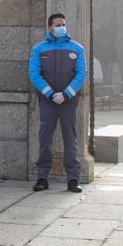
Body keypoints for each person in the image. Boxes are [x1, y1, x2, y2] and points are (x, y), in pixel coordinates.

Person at [29, 13, 87, 193]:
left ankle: (72, 179)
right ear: (50, 28)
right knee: (44, 139)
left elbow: (81, 74)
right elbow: (34, 74)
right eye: (58, 24)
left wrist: (66, 93)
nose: (62, 27)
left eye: (63, 24)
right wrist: (50, 93)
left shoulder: (76, 48)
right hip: (48, 102)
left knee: (70, 140)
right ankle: (42, 178)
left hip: (68, 102)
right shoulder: (39, 49)